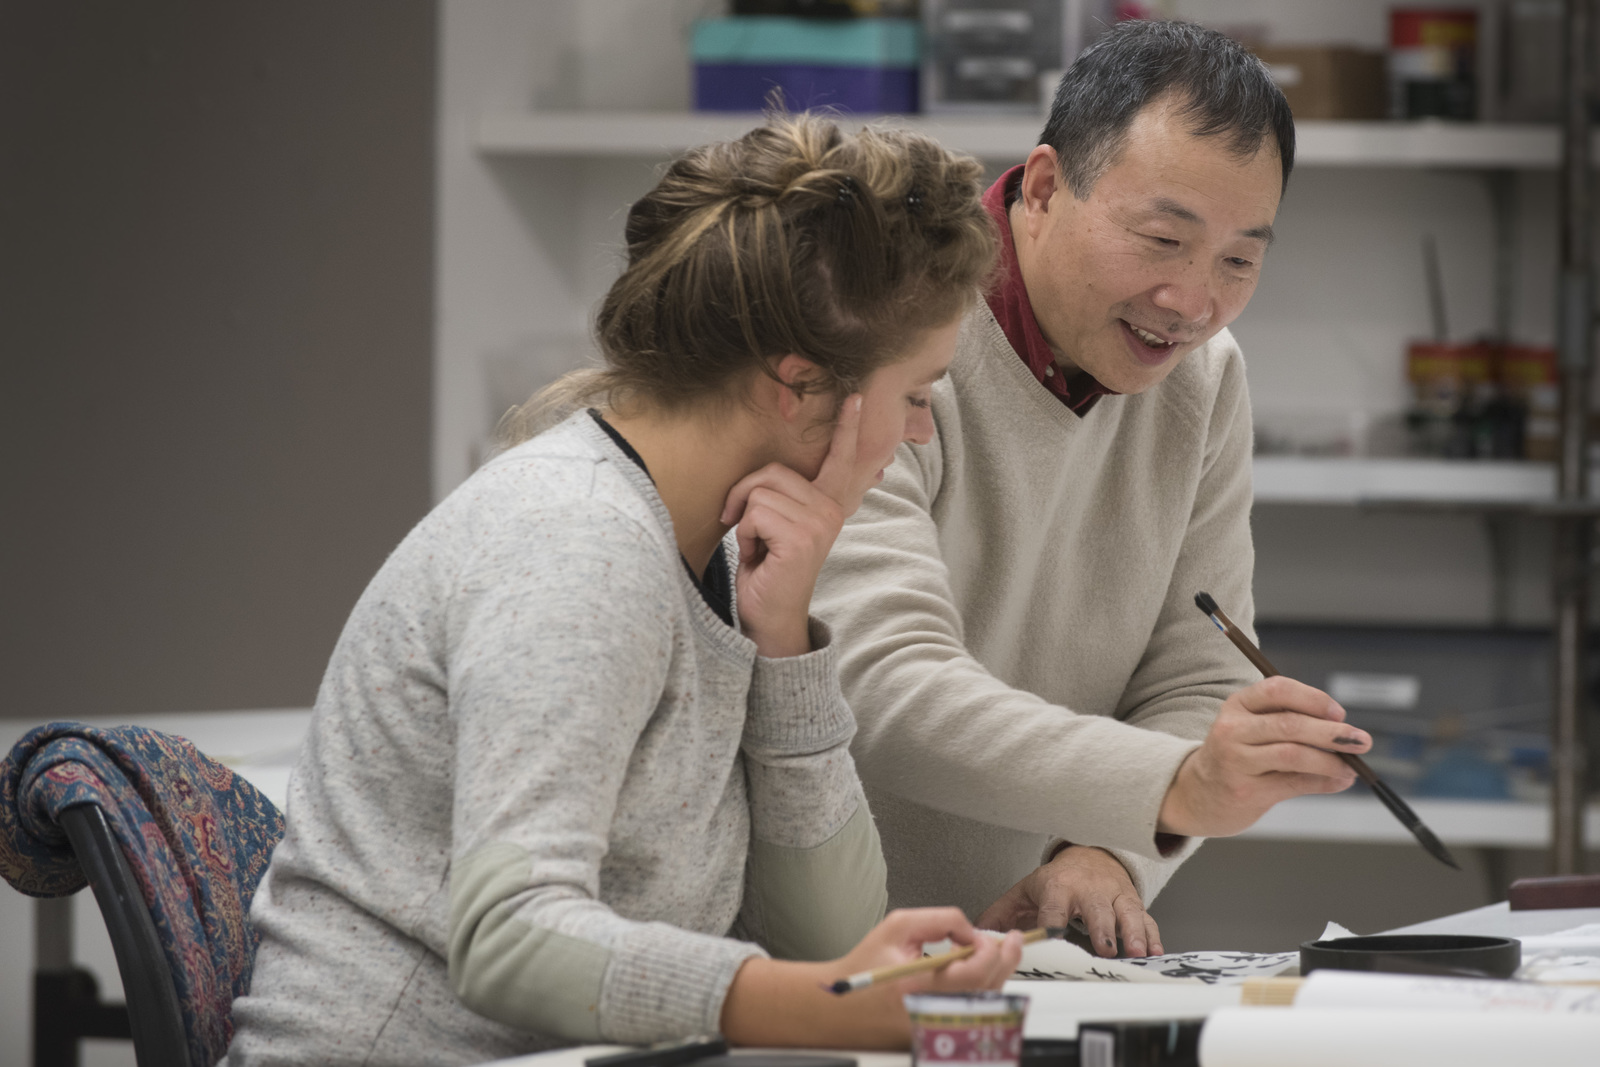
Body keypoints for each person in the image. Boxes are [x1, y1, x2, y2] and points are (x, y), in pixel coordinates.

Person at [227, 113, 1022, 1067]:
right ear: (801, 385)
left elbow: (830, 943)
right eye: (917, 395)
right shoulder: (579, 550)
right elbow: (508, 935)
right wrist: (827, 1003)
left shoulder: (717, 551)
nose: (920, 435)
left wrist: (786, 648)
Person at [811, 19, 1375, 959]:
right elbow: (878, 684)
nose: (1193, 303)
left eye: (1240, 260)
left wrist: (1109, 849)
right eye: (1162, 239)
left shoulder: (1203, 377)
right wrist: (1178, 784)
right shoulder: (896, 336)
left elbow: (1200, 671)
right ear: (1041, 188)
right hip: (823, 954)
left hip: (1018, 965)